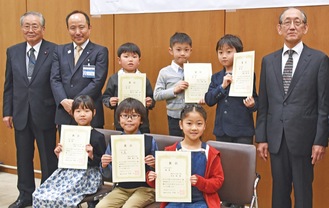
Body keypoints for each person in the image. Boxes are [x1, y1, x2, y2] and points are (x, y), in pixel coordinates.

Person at [255, 7, 329, 208]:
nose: (292, 26)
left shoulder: (319, 60)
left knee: (304, 191)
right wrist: (261, 137)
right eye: (287, 22)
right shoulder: (268, 61)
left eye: (297, 22)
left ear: (305, 28)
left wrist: (320, 140)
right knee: (279, 191)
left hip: (305, 139)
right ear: (279, 28)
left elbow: (324, 105)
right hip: (276, 138)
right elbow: (264, 104)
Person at [2, 11, 58, 208]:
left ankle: (46, 195)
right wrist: (7, 112)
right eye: (27, 26)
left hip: (45, 113)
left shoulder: (54, 51)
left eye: (35, 26)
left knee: (48, 158)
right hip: (20, 114)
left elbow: (56, 83)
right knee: (23, 157)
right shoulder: (13, 51)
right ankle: (25, 196)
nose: (31, 30)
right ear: (21, 28)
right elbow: (9, 84)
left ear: (43, 28)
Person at [32, 95, 106, 207]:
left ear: (94, 112)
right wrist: (59, 155)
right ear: (72, 113)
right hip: (67, 173)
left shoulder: (98, 136)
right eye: (78, 111)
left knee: (63, 197)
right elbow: (66, 159)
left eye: (86, 111)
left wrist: (91, 156)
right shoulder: (68, 134)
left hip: (88, 175)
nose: (82, 114)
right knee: (41, 193)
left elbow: (102, 163)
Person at [147, 104, 224, 208]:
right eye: (189, 123)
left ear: (205, 126)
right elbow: (163, 184)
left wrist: (201, 182)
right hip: (175, 200)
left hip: (201, 201)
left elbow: (218, 181)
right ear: (181, 124)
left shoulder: (210, 153)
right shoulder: (170, 151)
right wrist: (152, 178)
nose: (194, 128)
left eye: (199, 124)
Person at [50, 10, 108, 131]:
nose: (77, 32)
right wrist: (64, 101)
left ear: (89, 28)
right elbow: (55, 79)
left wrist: (76, 104)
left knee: (91, 149)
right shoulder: (59, 50)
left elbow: (97, 81)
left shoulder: (100, 51)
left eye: (81, 27)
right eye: (72, 28)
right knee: (67, 148)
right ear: (68, 29)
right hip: (65, 112)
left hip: (89, 112)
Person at [96, 98, 158, 208]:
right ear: (119, 120)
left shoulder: (149, 140)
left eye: (134, 116)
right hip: (121, 188)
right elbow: (108, 174)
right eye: (125, 116)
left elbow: (159, 171)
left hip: (145, 188)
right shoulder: (115, 142)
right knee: (101, 206)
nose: (129, 119)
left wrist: (153, 164)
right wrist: (104, 165)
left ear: (141, 119)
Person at [205, 34, 258, 145]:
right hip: (222, 131)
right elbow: (209, 100)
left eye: (229, 52)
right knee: (224, 162)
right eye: (220, 52)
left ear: (238, 53)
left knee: (243, 162)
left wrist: (252, 104)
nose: (224, 56)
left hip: (243, 130)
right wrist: (222, 86)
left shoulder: (248, 74)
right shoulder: (216, 77)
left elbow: (256, 101)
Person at [154, 32, 204, 136]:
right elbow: (157, 95)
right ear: (170, 51)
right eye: (178, 49)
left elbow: (203, 91)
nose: (182, 53)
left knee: (194, 144)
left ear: (191, 50)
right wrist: (174, 90)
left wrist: (204, 98)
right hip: (174, 117)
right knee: (176, 146)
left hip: (194, 117)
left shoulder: (197, 70)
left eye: (186, 50)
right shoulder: (164, 72)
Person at [102, 42, 155, 133]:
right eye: (126, 57)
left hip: (142, 122)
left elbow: (152, 98)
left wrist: (150, 102)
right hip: (121, 122)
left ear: (139, 60)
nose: (130, 60)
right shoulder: (114, 78)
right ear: (119, 60)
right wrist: (110, 101)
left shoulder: (143, 79)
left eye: (134, 57)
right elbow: (105, 97)